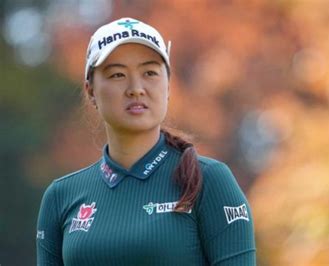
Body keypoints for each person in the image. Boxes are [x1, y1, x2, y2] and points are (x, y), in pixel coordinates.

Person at [36, 17, 256, 265]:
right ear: (91, 91)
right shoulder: (60, 196)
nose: (136, 88)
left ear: (168, 86)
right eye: (117, 74)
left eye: (150, 72)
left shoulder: (210, 181)